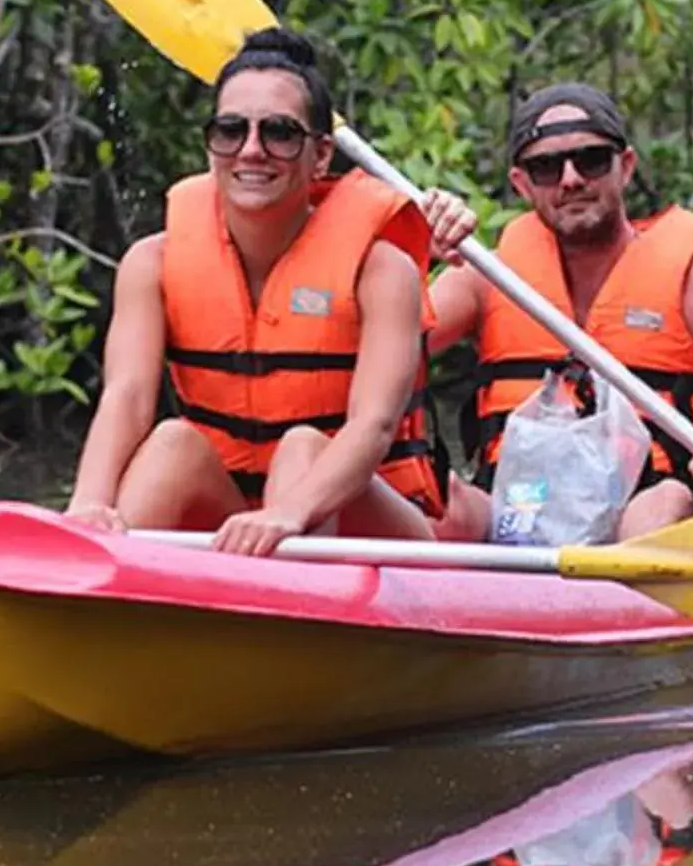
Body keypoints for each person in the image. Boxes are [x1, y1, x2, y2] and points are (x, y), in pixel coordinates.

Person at [68, 27, 449, 555]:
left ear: (319, 156)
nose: (251, 150)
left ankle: (294, 617)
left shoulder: (383, 271)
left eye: (279, 133)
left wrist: (288, 513)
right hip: (234, 519)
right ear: (210, 148)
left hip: (358, 519)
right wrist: (89, 502)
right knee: (172, 443)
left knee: (303, 449)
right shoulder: (151, 263)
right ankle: (94, 581)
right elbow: (128, 397)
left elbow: (374, 425)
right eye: (230, 130)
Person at [424, 82, 693, 541]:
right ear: (522, 184)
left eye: (591, 160)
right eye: (546, 167)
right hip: (518, 509)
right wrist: (414, 246)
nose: (571, 179)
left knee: (665, 501)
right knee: (436, 499)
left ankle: (618, 594)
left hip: (647, 507)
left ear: (625, 166)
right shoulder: (486, 275)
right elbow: (368, 347)